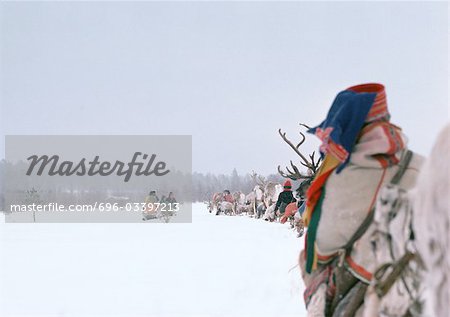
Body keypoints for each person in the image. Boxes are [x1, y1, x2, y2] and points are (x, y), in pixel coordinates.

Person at [300, 83, 424, 316]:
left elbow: (322, 248)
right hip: (427, 291)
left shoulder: (346, 177)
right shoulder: (426, 168)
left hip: (373, 298)